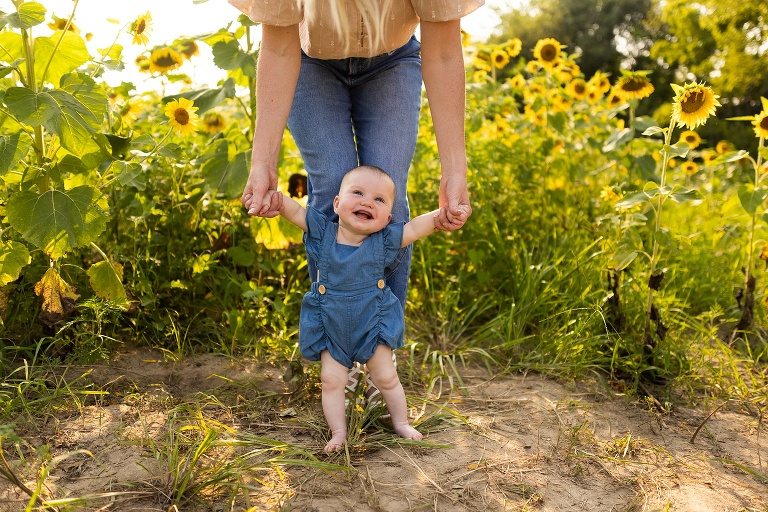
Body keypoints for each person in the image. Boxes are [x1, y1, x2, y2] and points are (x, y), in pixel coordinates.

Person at [271, 165, 469, 452]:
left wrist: (439, 218)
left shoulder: (384, 241)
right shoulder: (323, 232)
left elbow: (413, 228)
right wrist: (278, 201)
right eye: (358, 193)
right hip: (332, 325)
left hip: (371, 324)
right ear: (337, 204)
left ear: (387, 218)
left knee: (386, 377)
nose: (366, 202)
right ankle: (338, 432)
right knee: (330, 380)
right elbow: (296, 213)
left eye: (379, 199)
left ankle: (400, 422)